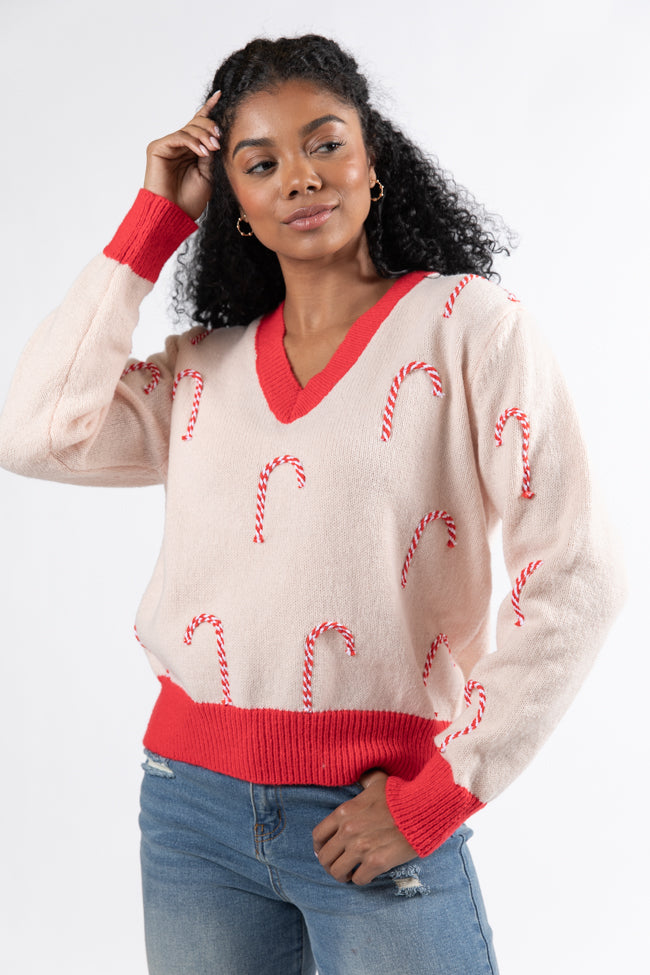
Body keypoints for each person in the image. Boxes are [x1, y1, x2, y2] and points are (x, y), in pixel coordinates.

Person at [0, 33, 625, 975]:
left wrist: (442, 793)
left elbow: (579, 574)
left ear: (374, 158)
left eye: (326, 143)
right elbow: (35, 430)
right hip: (191, 815)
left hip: (375, 808)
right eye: (260, 164)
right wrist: (153, 222)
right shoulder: (201, 371)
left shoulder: (468, 328)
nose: (300, 176)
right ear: (236, 206)